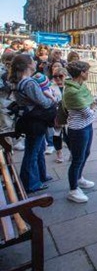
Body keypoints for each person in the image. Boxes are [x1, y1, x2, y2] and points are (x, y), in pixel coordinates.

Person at [64, 61, 97, 203]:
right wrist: (92, 109)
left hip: (86, 126)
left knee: (85, 154)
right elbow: (89, 113)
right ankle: (73, 190)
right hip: (78, 129)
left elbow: (91, 104)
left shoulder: (81, 87)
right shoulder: (72, 91)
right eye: (87, 72)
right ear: (81, 73)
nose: (88, 74)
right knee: (77, 159)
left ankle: (78, 178)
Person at [9, 54, 58, 192]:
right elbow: (44, 102)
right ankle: (30, 183)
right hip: (35, 121)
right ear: (28, 65)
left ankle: (40, 176)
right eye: (33, 61)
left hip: (30, 119)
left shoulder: (18, 81)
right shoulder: (29, 83)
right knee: (33, 152)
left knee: (38, 149)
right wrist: (52, 98)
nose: (35, 62)